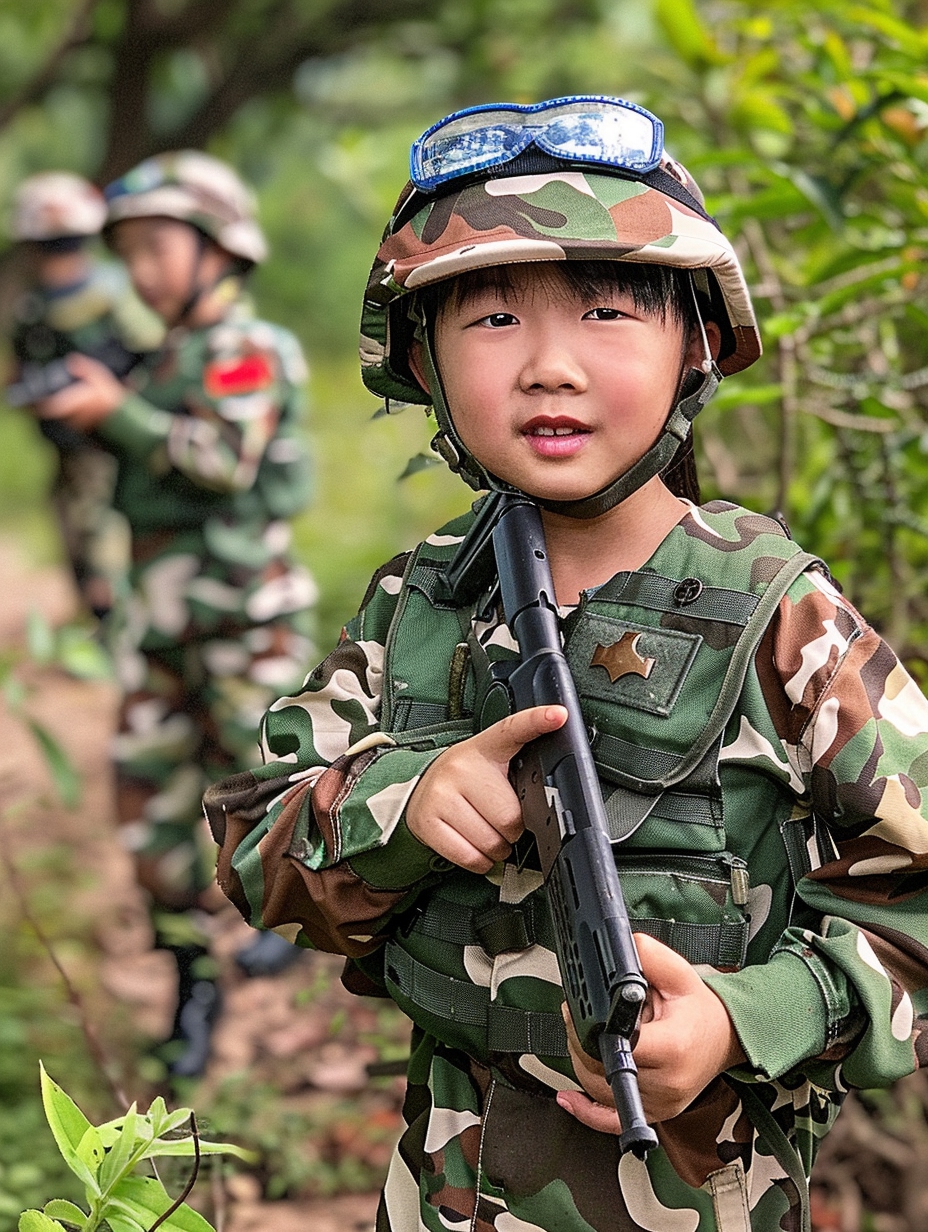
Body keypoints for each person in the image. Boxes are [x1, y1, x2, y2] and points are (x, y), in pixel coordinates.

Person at [204, 97, 928, 1230]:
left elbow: (915, 896)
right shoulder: (420, 600)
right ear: (421, 360)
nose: (547, 367)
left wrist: (747, 1016)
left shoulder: (780, 617)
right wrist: (404, 799)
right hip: (442, 1190)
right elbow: (256, 846)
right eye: (489, 319)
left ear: (693, 342)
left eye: (604, 311)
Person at [36, 150, 317, 1077]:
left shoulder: (248, 351)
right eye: (129, 252)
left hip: (244, 623)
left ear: (220, 249)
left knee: (266, 790)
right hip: (158, 630)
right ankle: (190, 978)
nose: (142, 270)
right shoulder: (154, 358)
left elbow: (219, 459)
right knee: (151, 814)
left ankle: (298, 931)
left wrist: (117, 411)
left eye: (158, 246)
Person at [6, 171, 162, 620]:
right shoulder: (33, 308)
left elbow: (154, 358)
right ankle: (102, 625)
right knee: (77, 532)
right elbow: (22, 369)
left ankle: (118, 628)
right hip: (69, 444)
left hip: (120, 440)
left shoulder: (116, 293)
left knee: (106, 537)